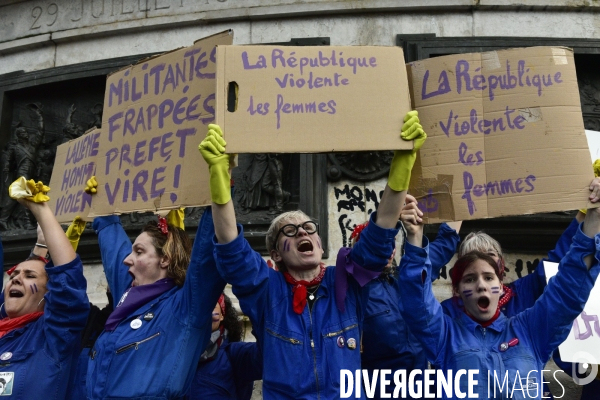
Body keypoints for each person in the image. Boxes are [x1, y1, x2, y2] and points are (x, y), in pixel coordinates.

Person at [199, 111, 426, 399]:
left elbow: (381, 233)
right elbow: (232, 248)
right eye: (289, 232)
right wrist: (220, 179)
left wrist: (402, 163)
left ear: (319, 244)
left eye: (308, 228)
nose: (302, 233)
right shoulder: (266, 291)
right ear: (275, 255)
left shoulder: (347, 280)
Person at [397, 194, 600, 399]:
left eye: (488, 277)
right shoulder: (445, 336)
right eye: (469, 279)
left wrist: (593, 220)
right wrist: (415, 238)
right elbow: (415, 300)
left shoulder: (531, 330)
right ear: (456, 290)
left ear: (501, 284)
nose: (481, 285)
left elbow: (567, 290)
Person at [86, 183, 226, 398]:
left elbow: (207, 255)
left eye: (139, 251)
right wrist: (100, 205)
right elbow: (113, 247)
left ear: (165, 259)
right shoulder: (129, 299)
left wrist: (221, 188)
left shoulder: (185, 309)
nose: (126, 259)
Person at [352, 197, 461, 399]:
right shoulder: (353, 291)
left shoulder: (409, 276)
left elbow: (445, 243)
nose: (387, 250)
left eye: (390, 243)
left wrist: (463, 198)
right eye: (378, 246)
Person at [0, 177, 89, 399]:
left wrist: (41, 210)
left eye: (29, 276)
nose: (17, 279)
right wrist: (40, 245)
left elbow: (67, 276)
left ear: (49, 297)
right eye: (14, 274)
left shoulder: (53, 338)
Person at [188, 293, 262, 399]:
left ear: (222, 314)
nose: (204, 312)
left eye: (211, 305)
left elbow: (268, 354)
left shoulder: (236, 355)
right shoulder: (174, 354)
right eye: (198, 306)